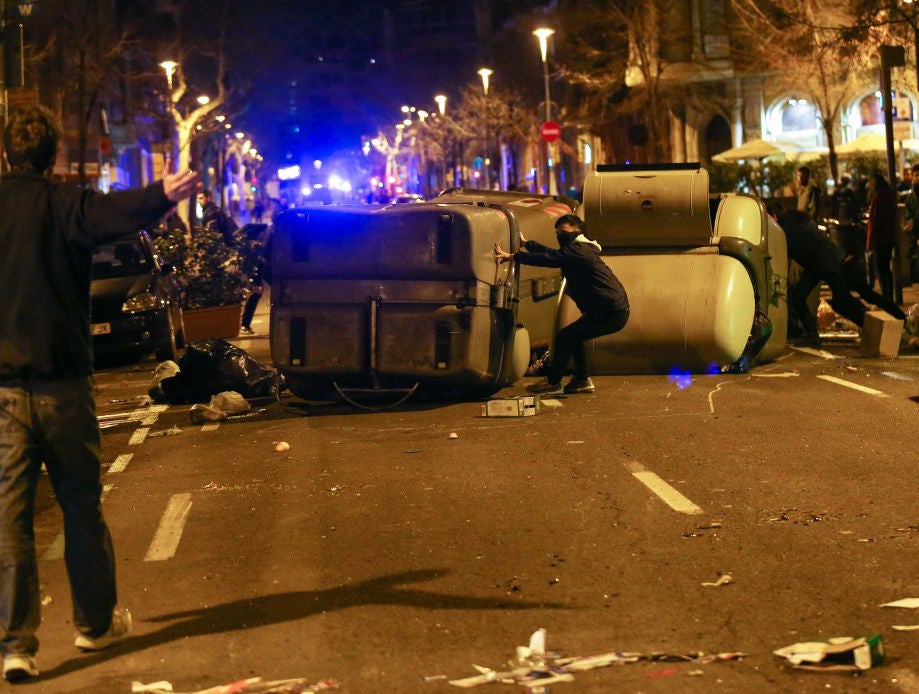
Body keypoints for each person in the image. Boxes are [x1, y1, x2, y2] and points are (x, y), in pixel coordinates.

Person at [0, 105, 201, 682]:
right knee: (80, 506)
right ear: (52, 156)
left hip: (6, 390)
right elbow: (115, 213)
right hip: (62, 384)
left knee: (11, 516)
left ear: (9, 153)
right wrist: (163, 191)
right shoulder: (66, 204)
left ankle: (16, 643)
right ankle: (93, 624)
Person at [493, 214, 629, 395]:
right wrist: (528, 245)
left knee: (565, 337)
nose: (560, 236)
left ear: (578, 230)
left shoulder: (580, 250)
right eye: (557, 233)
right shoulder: (577, 250)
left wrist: (514, 256)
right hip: (606, 310)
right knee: (574, 336)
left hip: (610, 312)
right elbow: (553, 254)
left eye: (563, 232)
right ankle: (581, 380)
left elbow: (549, 259)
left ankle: (553, 382)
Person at [771, 206, 902, 347]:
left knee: (846, 301)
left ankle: (883, 328)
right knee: (802, 297)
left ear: (774, 216)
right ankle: (813, 336)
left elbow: (807, 251)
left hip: (831, 265)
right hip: (823, 265)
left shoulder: (786, 228)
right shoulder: (794, 220)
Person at [867, 172, 898, 301]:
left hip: (879, 238)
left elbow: (874, 221)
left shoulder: (877, 197)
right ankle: (890, 295)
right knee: (887, 268)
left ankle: (885, 297)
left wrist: (869, 243)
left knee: (880, 268)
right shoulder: (890, 195)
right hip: (889, 237)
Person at [240, 225, 273, 335]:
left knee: (255, 295)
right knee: (255, 295)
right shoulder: (255, 247)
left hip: (259, 274)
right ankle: (245, 324)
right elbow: (257, 264)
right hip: (257, 275)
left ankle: (245, 325)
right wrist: (257, 282)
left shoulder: (253, 246)